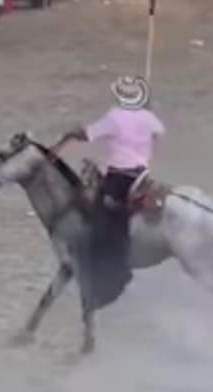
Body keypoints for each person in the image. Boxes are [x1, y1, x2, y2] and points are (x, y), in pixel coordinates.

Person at [50, 76, 165, 309]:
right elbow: (158, 132)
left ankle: (111, 264)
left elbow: (88, 134)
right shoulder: (149, 117)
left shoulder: (114, 116)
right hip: (142, 175)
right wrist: (148, 112)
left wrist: (71, 134)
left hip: (119, 176)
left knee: (99, 214)